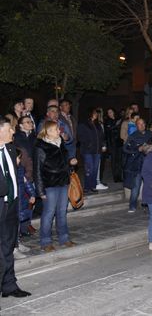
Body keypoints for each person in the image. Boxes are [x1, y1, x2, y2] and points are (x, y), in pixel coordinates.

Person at [0, 118, 32, 302]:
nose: (13, 132)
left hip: (11, 205)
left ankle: (9, 285)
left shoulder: (12, 149)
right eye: (9, 129)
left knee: (8, 247)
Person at [33, 120, 77, 252]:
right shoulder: (41, 147)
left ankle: (64, 238)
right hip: (49, 184)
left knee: (62, 212)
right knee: (48, 213)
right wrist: (40, 191)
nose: (59, 131)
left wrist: (70, 161)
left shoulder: (60, 143)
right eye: (56, 129)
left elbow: (63, 161)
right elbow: (37, 170)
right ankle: (45, 241)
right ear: (48, 131)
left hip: (63, 182)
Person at [123, 117, 152, 212]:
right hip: (137, 165)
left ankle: (149, 205)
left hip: (150, 164)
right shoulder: (133, 136)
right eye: (139, 124)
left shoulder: (150, 134)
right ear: (136, 126)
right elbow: (125, 149)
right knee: (136, 186)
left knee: (150, 185)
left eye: (143, 123)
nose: (142, 125)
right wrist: (137, 149)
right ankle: (132, 206)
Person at [77, 108, 107, 193]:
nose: (96, 115)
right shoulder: (83, 124)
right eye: (94, 113)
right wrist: (88, 143)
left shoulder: (98, 124)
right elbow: (80, 136)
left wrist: (103, 145)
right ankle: (87, 187)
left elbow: (102, 136)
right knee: (89, 169)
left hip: (97, 151)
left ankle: (93, 186)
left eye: (96, 113)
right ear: (89, 113)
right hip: (88, 151)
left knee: (95, 168)